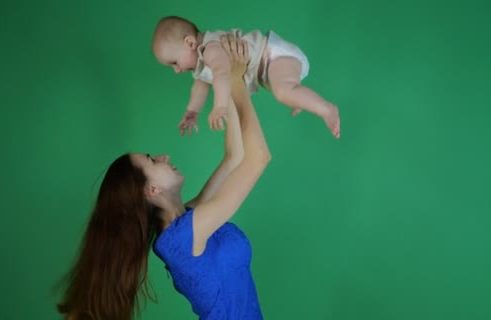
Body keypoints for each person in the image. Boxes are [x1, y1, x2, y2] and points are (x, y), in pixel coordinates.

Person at [56, 34, 271, 320]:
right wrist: (235, 78)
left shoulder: (185, 221)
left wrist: (228, 76)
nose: (164, 157)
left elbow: (235, 157)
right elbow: (258, 159)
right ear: (151, 190)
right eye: (153, 161)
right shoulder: (183, 237)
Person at [151, 15, 341, 139]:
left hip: (272, 55)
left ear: (190, 43)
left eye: (174, 63)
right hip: (268, 69)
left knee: (283, 91)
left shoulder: (210, 49)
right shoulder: (201, 64)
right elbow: (200, 86)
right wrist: (193, 112)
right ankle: (298, 98)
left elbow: (221, 73)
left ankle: (327, 109)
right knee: (284, 91)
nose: (176, 70)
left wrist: (220, 106)